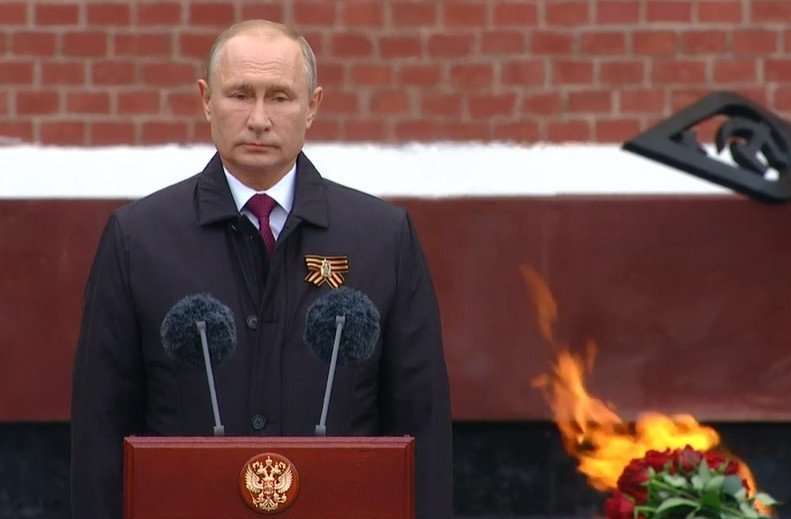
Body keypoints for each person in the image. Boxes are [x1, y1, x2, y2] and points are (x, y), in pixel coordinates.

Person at [70, 19, 452, 519]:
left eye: (279, 97)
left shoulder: (382, 238)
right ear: (206, 100)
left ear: (312, 106)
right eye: (239, 95)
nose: (258, 119)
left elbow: (422, 422)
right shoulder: (138, 239)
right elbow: (100, 427)